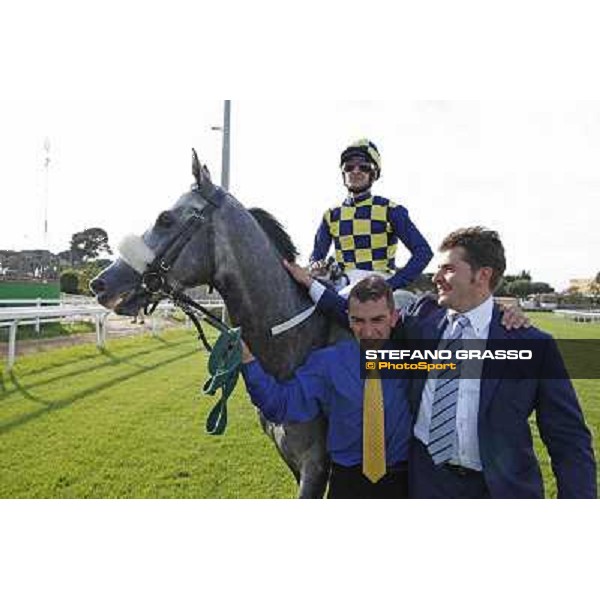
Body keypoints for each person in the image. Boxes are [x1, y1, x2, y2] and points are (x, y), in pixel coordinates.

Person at [287, 228, 597, 498]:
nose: (435, 277)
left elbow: (569, 441)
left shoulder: (531, 345)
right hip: (428, 486)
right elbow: (365, 316)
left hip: (501, 492)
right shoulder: (423, 318)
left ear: (483, 275)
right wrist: (310, 284)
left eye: (447, 269)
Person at [241, 277, 412, 499]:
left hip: (402, 483)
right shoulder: (327, 363)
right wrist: (248, 361)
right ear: (348, 320)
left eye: (377, 320)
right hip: (346, 484)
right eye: (358, 321)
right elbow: (280, 405)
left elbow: (468, 359)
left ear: (394, 318)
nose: (368, 331)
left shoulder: (414, 356)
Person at [310, 139, 433, 297]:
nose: (355, 171)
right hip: (340, 284)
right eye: (349, 167)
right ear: (343, 173)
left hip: (377, 283)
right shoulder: (331, 215)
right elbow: (316, 256)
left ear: (373, 174)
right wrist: (316, 265)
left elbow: (423, 252)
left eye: (364, 167)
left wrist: (392, 284)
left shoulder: (391, 210)